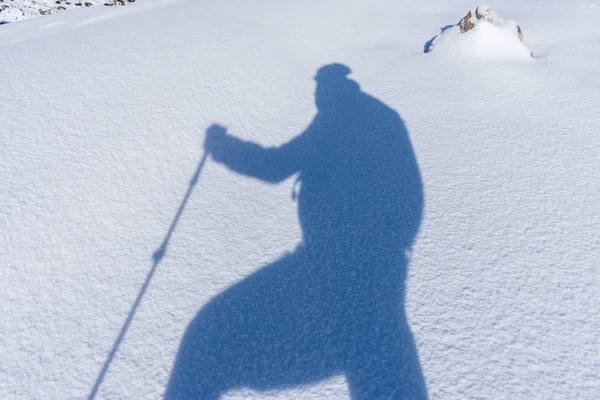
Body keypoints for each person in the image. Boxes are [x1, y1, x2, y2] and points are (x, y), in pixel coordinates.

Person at [165, 64, 427, 399]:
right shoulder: (383, 116)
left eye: (318, 90)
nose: (316, 97)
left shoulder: (335, 121)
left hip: (332, 267)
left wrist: (221, 145)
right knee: (382, 369)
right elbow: (413, 195)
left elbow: (273, 166)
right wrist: (392, 248)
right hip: (382, 269)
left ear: (327, 90)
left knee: (208, 336)